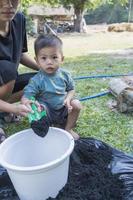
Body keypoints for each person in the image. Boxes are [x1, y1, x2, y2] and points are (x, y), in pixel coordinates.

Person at [21, 34, 82, 140]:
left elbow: (71, 89)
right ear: (37, 61)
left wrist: (68, 99)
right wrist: (26, 102)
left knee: (76, 104)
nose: (49, 62)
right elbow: (26, 96)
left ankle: (68, 129)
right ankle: (47, 129)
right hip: (47, 111)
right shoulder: (36, 80)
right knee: (40, 108)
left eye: (54, 57)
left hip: (64, 109)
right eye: (44, 58)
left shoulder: (65, 75)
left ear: (62, 58)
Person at [0, 0, 39, 143]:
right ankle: (6, 110)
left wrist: (45, 70)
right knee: (8, 70)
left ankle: (4, 112)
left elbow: (20, 54)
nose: (8, 5)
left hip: (8, 83)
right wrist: (14, 108)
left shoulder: (19, 20)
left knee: (41, 79)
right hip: (7, 78)